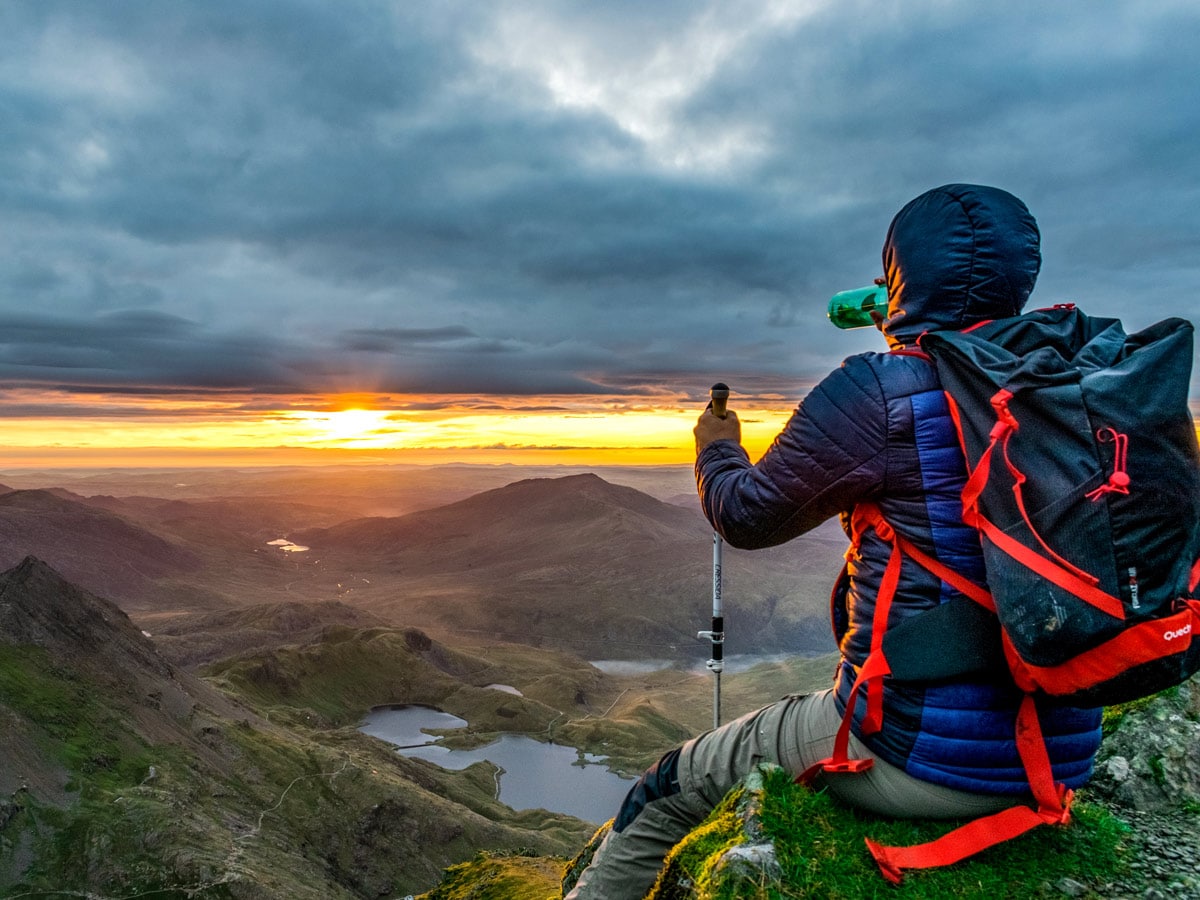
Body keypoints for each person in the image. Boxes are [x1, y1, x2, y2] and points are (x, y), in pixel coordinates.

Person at [563, 184, 1103, 899]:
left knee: (667, 787)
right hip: (1062, 751)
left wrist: (718, 447)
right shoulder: (1080, 384)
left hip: (916, 757)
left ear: (903, 274)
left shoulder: (882, 391)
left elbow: (746, 517)